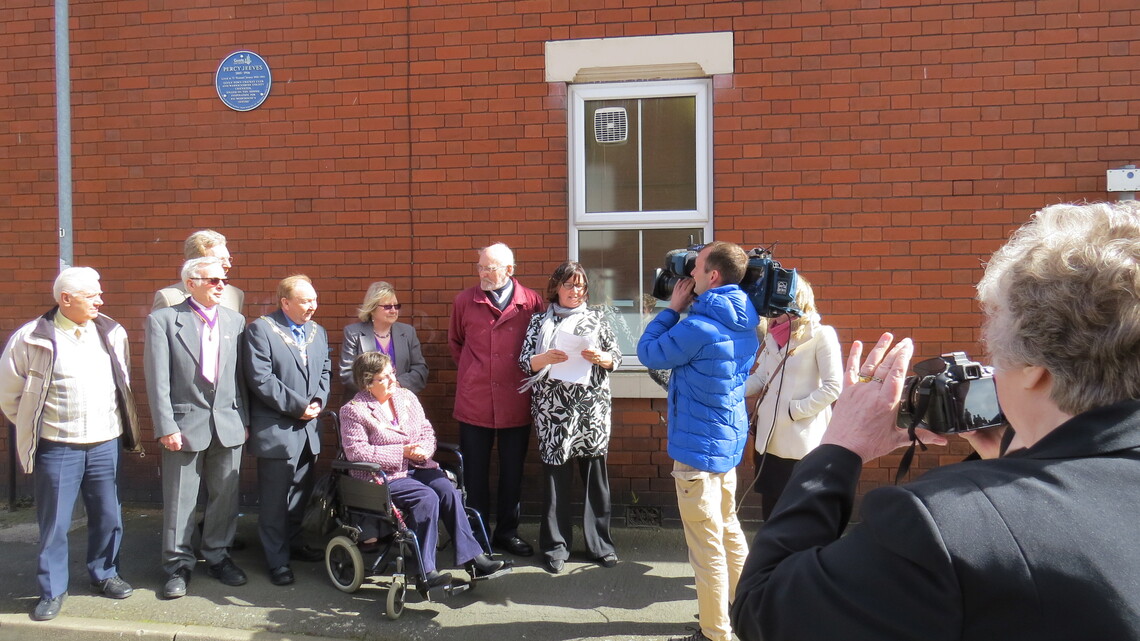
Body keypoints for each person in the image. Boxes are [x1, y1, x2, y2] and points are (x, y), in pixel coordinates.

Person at [731, 200, 1140, 641]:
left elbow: (764, 608)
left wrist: (841, 445)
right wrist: (1015, 456)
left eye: (996, 353)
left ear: (1033, 368)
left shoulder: (943, 527)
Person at [0, 267, 141, 621]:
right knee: (55, 523)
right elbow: (10, 394)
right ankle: (51, 590)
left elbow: (121, 381)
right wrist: (36, 426)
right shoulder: (32, 337)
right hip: (57, 445)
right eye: (92, 295)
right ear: (66, 299)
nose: (100, 300)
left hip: (105, 441)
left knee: (109, 515)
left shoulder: (112, 332)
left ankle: (106, 574)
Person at [637, 241, 760, 641]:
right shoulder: (747, 317)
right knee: (728, 529)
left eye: (697, 267)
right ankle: (747, 617)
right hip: (726, 439)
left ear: (713, 276)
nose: (689, 274)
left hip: (697, 447)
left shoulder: (697, 325)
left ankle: (714, 633)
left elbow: (649, 353)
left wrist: (671, 308)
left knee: (705, 549)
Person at [339, 352, 510, 590]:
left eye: (392, 373)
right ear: (368, 383)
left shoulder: (406, 397)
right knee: (426, 498)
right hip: (382, 476)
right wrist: (403, 452)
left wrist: (423, 450)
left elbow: (426, 430)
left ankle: (474, 560)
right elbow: (357, 452)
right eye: (384, 377)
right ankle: (425, 572)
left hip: (418, 466)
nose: (392, 380)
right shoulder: (354, 410)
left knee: (447, 490)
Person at [145, 257, 249, 599]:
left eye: (224, 280)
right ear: (191, 283)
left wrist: (243, 420)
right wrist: (165, 426)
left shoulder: (235, 320)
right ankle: (177, 565)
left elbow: (239, 377)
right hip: (183, 424)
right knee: (180, 499)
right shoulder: (163, 320)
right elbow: (157, 378)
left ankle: (218, 555)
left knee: (225, 496)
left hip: (228, 424)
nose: (221, 285)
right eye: (213, 280)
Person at [518, 261, 622, 574]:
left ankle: (599, 545)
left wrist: (601, 358)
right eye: (569, 285)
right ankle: (555, 547)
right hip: (553, 412)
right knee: (555, 480)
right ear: (557, 288)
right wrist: (545, 357)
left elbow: (615, 357)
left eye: (580, 286)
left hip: (591, 409)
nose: (575, 291)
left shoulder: (598, 318)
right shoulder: (539, 322)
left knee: (594, 479)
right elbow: (525, 363)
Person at [448, 242, 546, 556]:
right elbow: (456, 344)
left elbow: (540, 346)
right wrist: (475, 372)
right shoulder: (465, 301)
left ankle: (507, 532)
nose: (484, 274)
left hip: (516, 399)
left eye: (490, 267)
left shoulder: (531, 301)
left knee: (512, 472)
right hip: (474, 401)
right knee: (474, 474)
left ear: (509, 270)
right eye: (480, 267)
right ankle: (477, 535)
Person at [243, 274, 331, 586]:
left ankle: (293, 543)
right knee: (275, 500)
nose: (313, 306)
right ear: (285, 303)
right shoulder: (262, 330)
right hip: (278, 431)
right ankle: (276, 560)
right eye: (305, 301)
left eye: (314, 300)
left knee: (299, 494)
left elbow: (325, 369)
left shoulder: (317, 331)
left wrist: (319, 400)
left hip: (309, 430)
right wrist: (299, 407)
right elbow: (261, 379)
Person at [743, 276, 841, 520]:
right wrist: (725, 390)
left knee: (797, 516)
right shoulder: (771, 335)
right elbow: (760, 379)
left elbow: (833, 387)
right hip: (768, 440)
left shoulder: (821, 335)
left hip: (800, 442)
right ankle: (773, 559)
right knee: (771, 512)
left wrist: (793, 411)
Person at [339, 281, 428, 395]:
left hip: (401, 399)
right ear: (372, 308)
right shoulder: (353, 333)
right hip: (365, 403)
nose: (393, 310)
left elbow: (420, 369)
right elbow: (347, 373)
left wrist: (398, 384)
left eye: (396, 306)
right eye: (387, 306)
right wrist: (376, 389)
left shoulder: (408, 332)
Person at [153, 230, 245, 313]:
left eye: (229, 259)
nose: (228, 265)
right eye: (219, 260)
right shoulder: (168, 298)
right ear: (196, 262)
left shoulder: (235, 296)